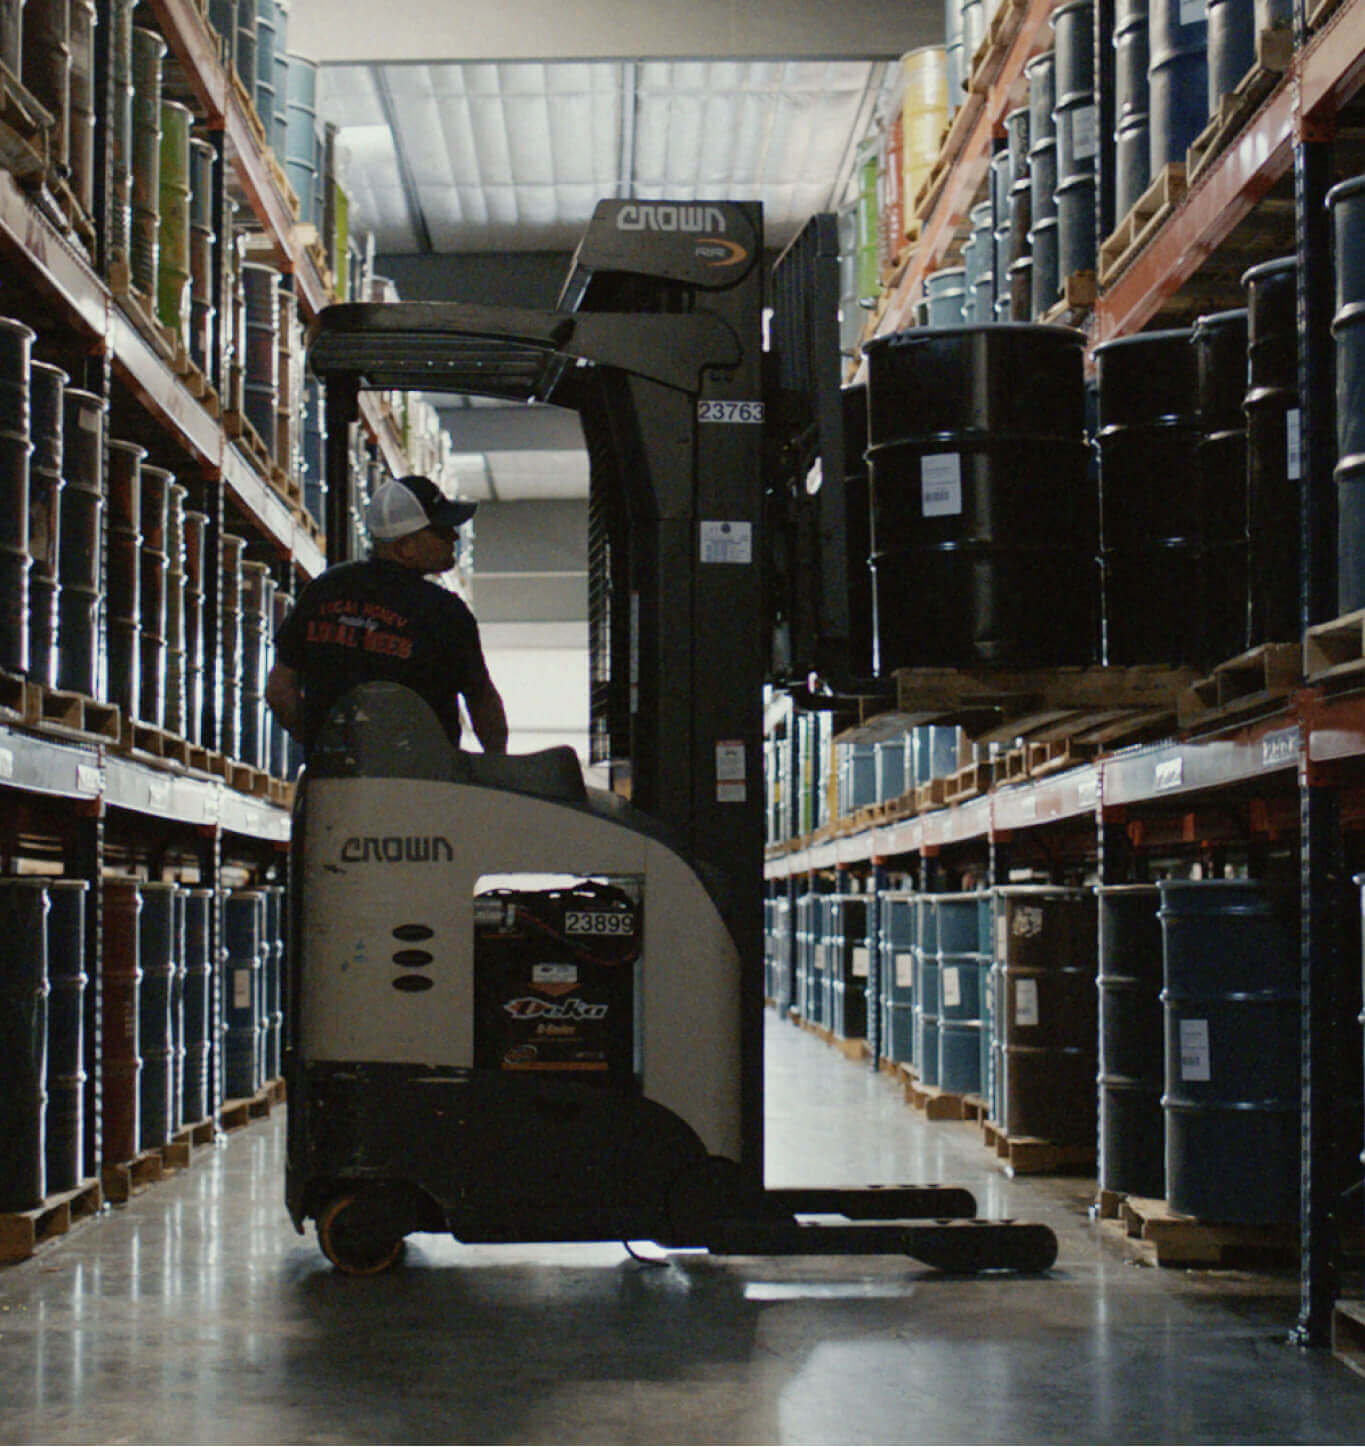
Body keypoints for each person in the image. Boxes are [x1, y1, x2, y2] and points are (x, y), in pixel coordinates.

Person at [266, 474, 508, 757]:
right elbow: (481, 702)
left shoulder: (323, 590)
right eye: (441, 531)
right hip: (418, 787)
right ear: (404, 547)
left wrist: (317, 745)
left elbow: (279, 688)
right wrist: (497, 764)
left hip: (332, 787)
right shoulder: (446, 613)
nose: (454, 537)